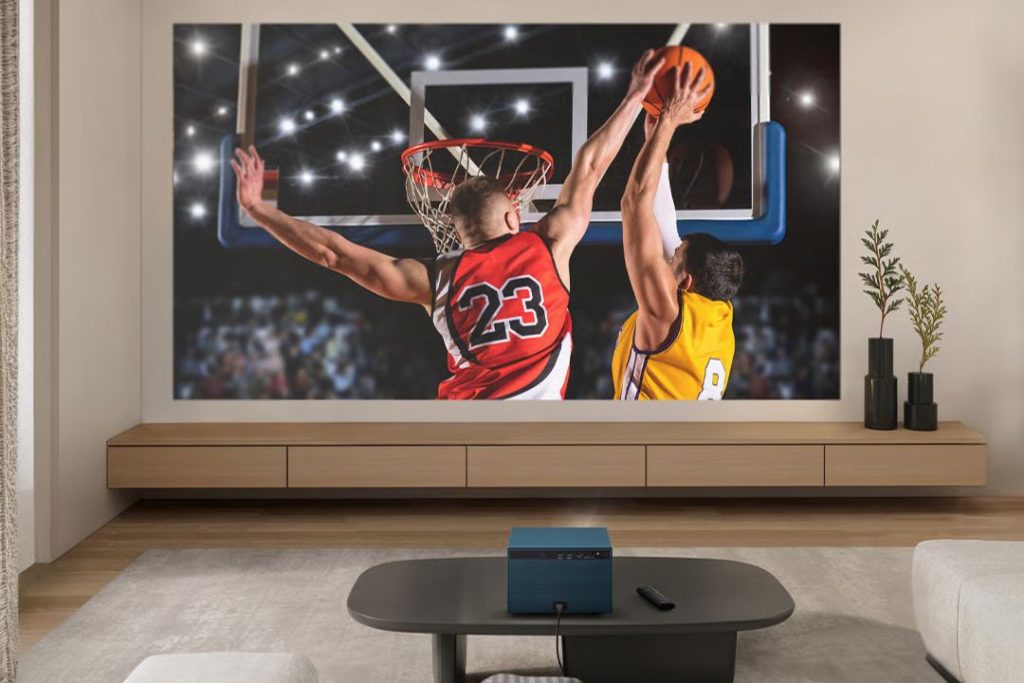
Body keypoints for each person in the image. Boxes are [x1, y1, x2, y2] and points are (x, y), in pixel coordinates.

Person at [231, 50, 666, 400]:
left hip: (463, 425)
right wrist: (636, 96)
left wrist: (259, 210)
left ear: (457, 233)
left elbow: (334, 253)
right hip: (533, 428)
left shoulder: (436, 276)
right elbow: (590, 166)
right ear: (515, 215)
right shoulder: (549, 245)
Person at [612, 64, 744, 400]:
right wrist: (655, 141)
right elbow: (665, 222)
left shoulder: (666, 313)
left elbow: (633, 204)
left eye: (675, 258)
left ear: (686, 281)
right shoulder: (718, 316)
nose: (668, 255)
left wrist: (669, 122)